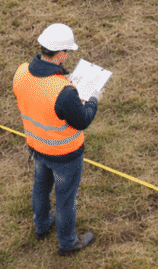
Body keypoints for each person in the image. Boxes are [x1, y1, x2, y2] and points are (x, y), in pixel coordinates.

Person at [12, 23, 99, 256]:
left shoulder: (21, 72)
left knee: (40, 187)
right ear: (60, 55)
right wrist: (93, 99)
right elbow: (82, 120)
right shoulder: (64, 92)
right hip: (65, 155)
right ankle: (68, 242)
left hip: (37, 147)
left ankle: (41, 226)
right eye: (67, 52)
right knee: (66, 198)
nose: (68, 56)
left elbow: (39, 96)